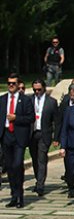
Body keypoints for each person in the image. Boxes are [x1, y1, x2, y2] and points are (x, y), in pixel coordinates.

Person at [1, 74, 35, 208]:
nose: (11, 85)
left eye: (13, 83)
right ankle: (14, 195)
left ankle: (20, 195)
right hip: (6, 136)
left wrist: (16, 118)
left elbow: (31, 118)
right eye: (9, 83)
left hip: (19, 136)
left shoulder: (25, 100)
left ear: (18, 84)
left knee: (17, 165)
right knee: (9, 167)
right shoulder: (3, 99)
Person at [29, 79, 60, 197]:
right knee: (34, 159)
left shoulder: (51, 102)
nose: (37, 92)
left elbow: (56, 121)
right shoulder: (30, 100)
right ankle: (38, 180)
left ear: (44, 89)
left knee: (42, 159)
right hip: (32, 134)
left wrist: (56, 137)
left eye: (39, 89)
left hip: (44, 133)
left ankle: (41, 185)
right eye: (35, 90)